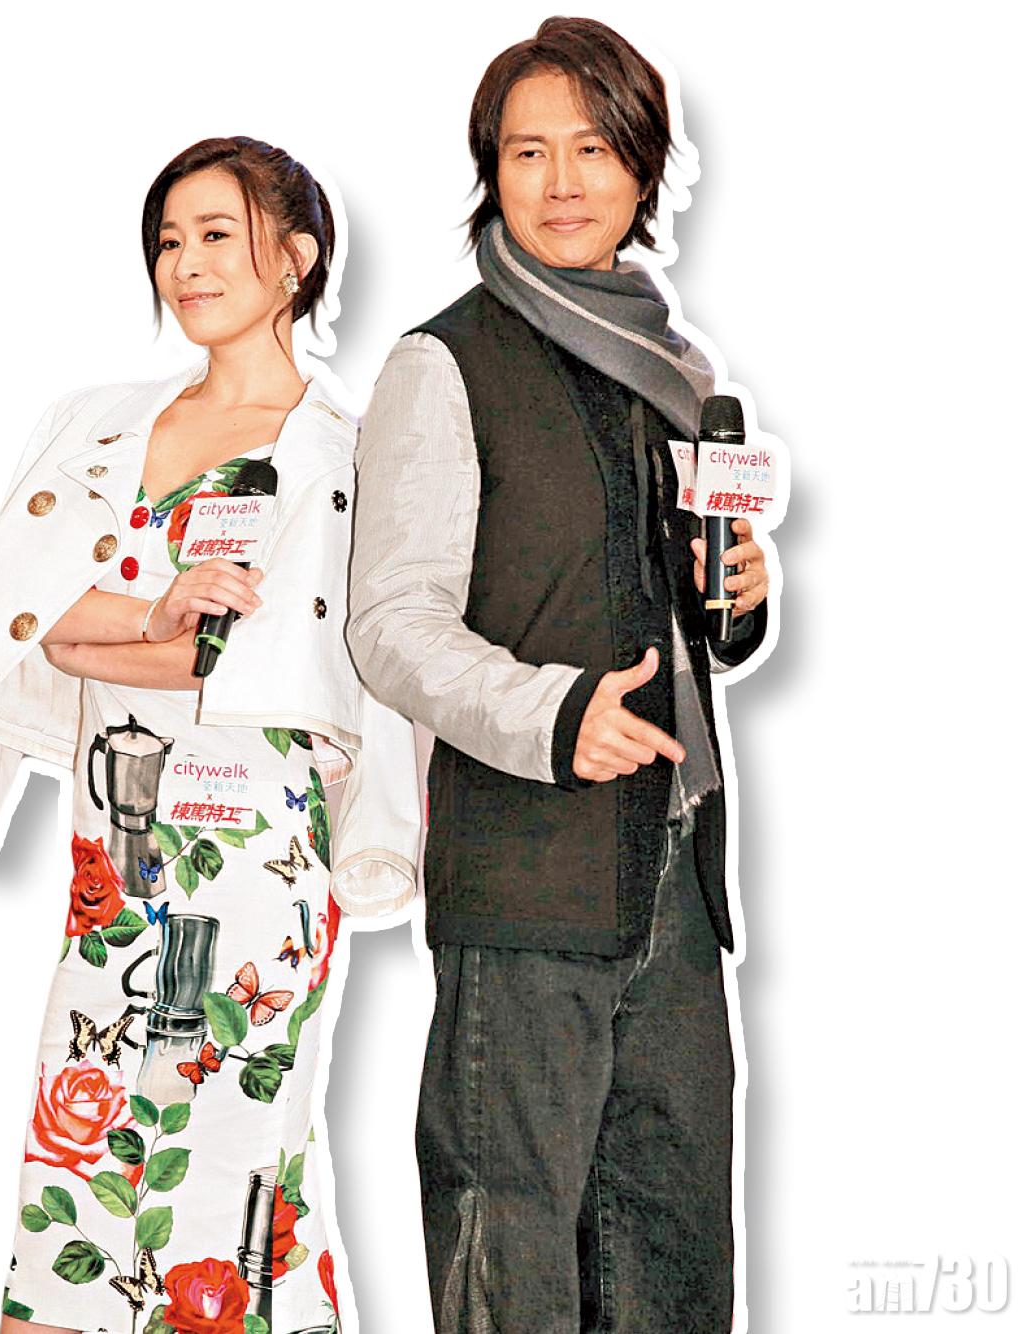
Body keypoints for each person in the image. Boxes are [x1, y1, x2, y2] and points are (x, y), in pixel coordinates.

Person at [0, 136, 419, 1334]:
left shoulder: (337, 452)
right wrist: (144, 616)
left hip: (252, 855)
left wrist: (103, 634)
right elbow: (24, 620)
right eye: (168, 240)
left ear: (296, 257)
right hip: (112, 854)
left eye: (217, 234)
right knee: (77, 1126)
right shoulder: (96, 423)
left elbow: (229, 655)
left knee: (228, 1139)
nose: (186, 263)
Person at [346, 19, 774, 1334]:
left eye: (591, 147)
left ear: (642, 167)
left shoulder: (680, 376)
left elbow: (672, 611)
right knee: (512, 1250)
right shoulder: (442, 363)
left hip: (675, 867)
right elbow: (391, 623)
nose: (561, 180)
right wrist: (554, 713)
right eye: (527, 152)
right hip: (527, 870)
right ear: (492, 173)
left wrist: (739, 596)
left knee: (674, 1246)